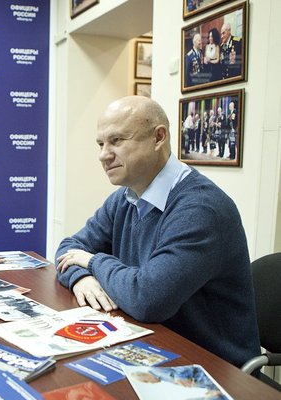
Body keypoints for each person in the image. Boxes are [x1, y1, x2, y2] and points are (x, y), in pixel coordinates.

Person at [55, 96, 260, 367]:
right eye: (101, 144)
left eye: (117, 140)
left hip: (213, 368)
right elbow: (69, 248)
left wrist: (92, 262)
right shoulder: (125, 197)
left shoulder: (202, 208)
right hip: (153, 343)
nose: (104, 154)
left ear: (158, 137)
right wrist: (80, 277)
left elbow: (147, 299)